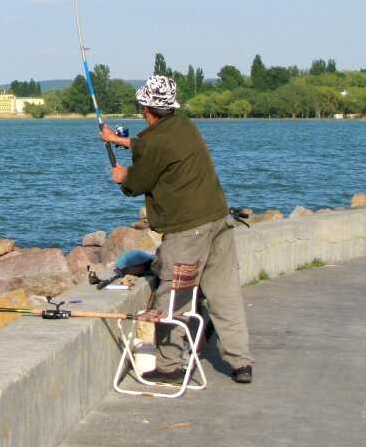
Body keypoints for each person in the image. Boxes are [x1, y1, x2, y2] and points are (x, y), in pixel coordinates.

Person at [100, 74, 254, 385]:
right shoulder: (184, 125)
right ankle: (241, 364)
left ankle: (170, 367)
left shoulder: (155, 141)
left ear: (146, 108)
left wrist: (121, 177)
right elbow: (153, 146)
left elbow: (137, 183)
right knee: (224, 295)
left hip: (188, 231)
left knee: (173, 296)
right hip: (219, 219)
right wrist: (119, 141)